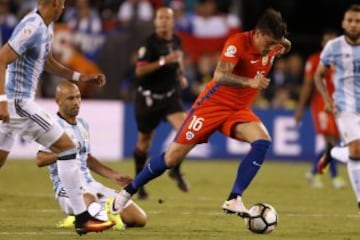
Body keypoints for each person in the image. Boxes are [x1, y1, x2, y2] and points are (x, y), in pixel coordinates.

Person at [111, 8, 291, 217]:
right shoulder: (237, 43)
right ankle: (127, 191)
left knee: (262, 141)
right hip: (211, 107)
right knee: (171, 159)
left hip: (237, 110)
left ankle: (234, 198)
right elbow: (219, 75)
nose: (270, 48)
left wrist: (284, 43)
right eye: (268, 43)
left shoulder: (273, 45)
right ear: (258, 33)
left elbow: (284, 46)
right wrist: (249, 82)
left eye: (274, 44)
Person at [0, 0, 114, 235]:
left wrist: (80, 77)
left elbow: (48, 63)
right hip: (18, 103)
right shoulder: (31, 26)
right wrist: (2, 101)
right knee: (67, 147)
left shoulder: (46, 27)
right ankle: (83, 218)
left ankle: (82, 217)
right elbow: (1, 59)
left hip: (14, 103)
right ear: (53, 4)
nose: (64, 8)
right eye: (61, 3)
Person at [36, 81, 147, 230]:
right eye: (70, 98)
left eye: (78, 97)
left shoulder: (83, 124)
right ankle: (82, 216)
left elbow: (86, 158)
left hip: (92, 186)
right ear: (58, 101)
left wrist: (113, 175)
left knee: (139, 219)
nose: (76, 102)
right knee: (89, 199)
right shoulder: (52, 127)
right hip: (68, 189)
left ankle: (85, 216)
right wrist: (64, 152)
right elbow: (40, 159)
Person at [132, 7, 190, 199]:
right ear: (155, 22)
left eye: (168, 17)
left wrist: (180, 75)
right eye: (161, 17)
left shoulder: (176, 40)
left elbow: (178, 60)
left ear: (173, 22)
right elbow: (139, 71)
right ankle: (138, 183)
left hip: (169, 97)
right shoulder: (149, 45)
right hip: (148, 99)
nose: (164, 21)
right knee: (143, 143)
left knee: (186, 132)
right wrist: (164, 61)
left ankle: (175, 169)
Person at [314, 4, 360, 212]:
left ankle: (334, 152)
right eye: (350, 20)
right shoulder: (333, 46)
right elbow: (318, 75)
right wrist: (326, 99)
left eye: (358, 21)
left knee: (354, 152)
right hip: (344, 105)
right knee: (357, 149)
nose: (353, 24)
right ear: (343, 22)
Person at [294, 30, 346, 189]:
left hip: (340, 105)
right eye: (326, 41)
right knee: (329, 141)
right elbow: (308, 86)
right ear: (323, 43)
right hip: (321, 105)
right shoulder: (315, 60)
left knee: (334, 142)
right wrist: (300, 108)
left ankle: (313, 171)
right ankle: (333, 176)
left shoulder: (344, 60)